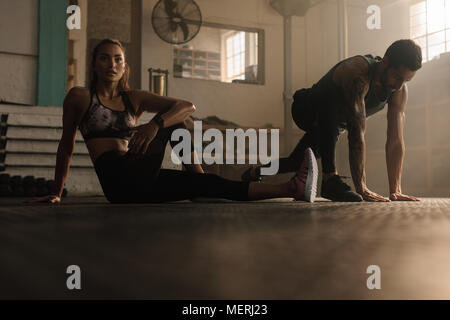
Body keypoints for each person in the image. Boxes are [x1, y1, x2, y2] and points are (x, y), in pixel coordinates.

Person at [27, 38, 319, 204]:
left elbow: (187, 106)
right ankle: (199, 179)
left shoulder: (134, 99)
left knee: (213, 185)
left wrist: (154, 125)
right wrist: (56, 192)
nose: (111, 65)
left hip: (140, 178)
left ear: (125, 66)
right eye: (104, 58)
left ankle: (291, 188)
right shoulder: (80, 97)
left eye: (117, 59)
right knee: (177, 125)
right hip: (118, 180)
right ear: (94, 63)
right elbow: (66, 146)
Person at [242, 39, 422, 203]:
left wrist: (395, 190)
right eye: (397, 77)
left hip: (331, 125)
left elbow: (395, 140)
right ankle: (330, 179)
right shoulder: (358, 73)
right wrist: (362, 188)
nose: (399, 86)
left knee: (295, 162)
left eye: (406, 81)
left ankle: (256, 171)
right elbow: (356, 133)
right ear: (386, 62)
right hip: (307, 107)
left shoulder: (398, 91)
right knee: (332, 107)